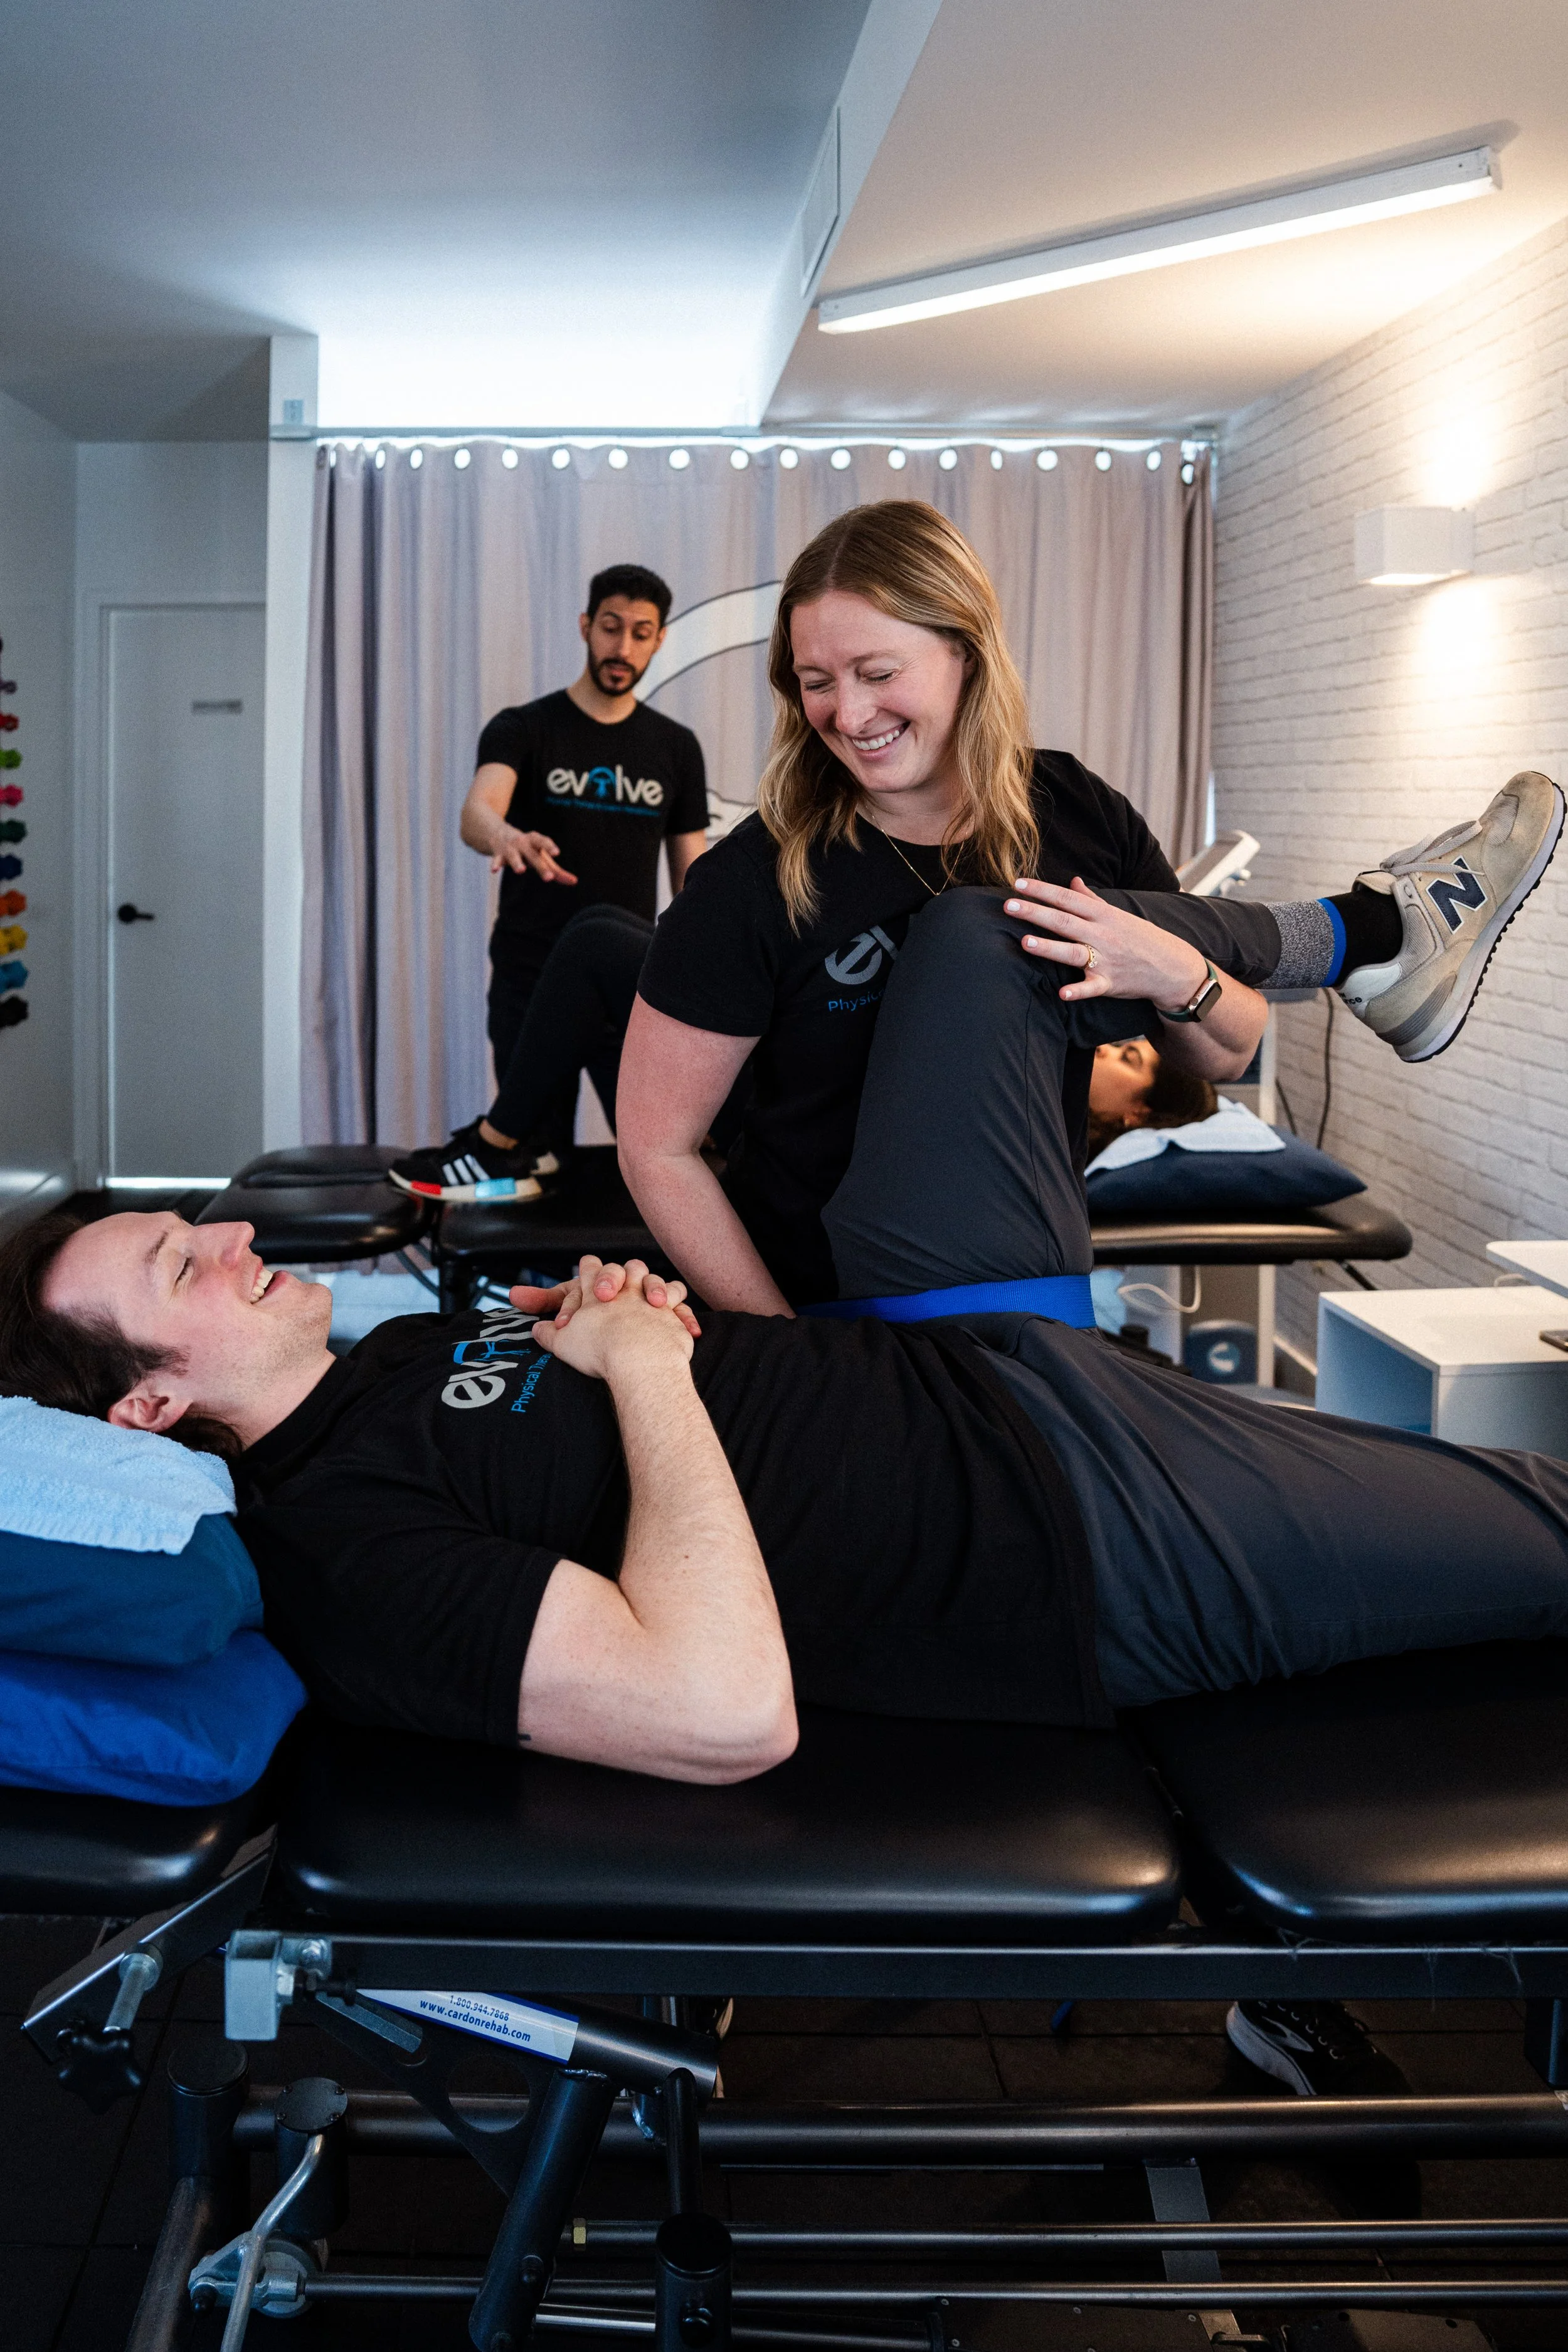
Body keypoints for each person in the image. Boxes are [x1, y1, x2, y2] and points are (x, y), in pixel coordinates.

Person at [9, 881, 1568, 1799]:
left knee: (975, 932)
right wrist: (647, 1370)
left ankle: (1363, 931)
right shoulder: (339, 1552)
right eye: (180, 1263)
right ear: (148, 1406)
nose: (233, 1236)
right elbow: (720, 1711)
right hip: (1067, 1533)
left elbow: (633, 1420)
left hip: (973, 1346)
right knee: (1538, 1523)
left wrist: (620, 1317)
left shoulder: (391, 1367)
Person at [618, 501, 1563, 1314]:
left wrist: (1177, 972)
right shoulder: (754, 878)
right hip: (839, 1292)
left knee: (990, 925)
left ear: (964, 652)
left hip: (1033, 1260)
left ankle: (1373, 935)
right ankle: (1368, 931)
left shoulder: (1073, 811)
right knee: (982, 925)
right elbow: (658, 1147)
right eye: (816, 683)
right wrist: (783, 1347)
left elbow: (1226, 1050)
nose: (848, 715)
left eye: (877, 672)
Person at [392, 564, 711, 1203]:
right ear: (585, 626)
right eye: (611, 628)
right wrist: (504, 835)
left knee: (658, 1166)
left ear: (659, 639)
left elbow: (692, 881)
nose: (623, 648)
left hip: (627, 991)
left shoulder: (675, 747)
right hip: (530, 980)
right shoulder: (525, 728)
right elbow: (478, 812)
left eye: (640, 633)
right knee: (532, 1163)